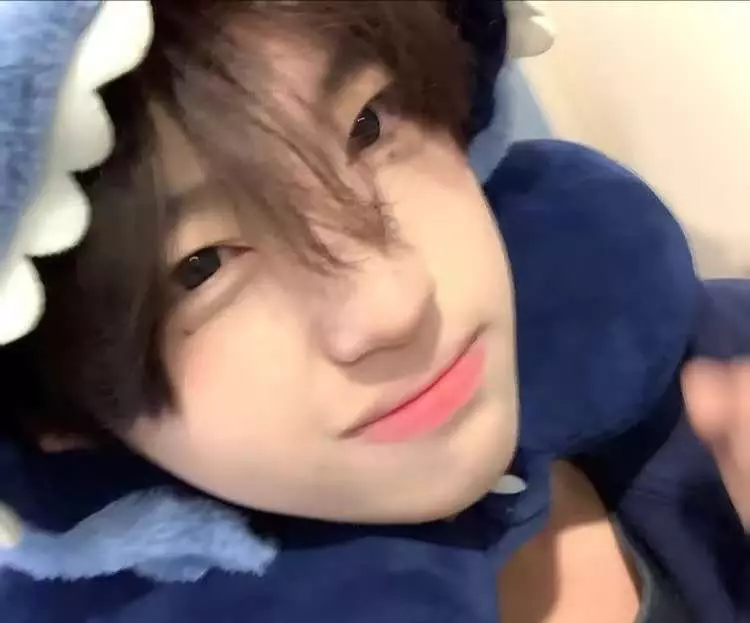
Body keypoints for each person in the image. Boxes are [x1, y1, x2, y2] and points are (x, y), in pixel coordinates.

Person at [0, 1, 747, 621]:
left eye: (368, 126)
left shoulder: (712, 367)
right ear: (56, 411)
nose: (394, 306)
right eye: (201, 266)